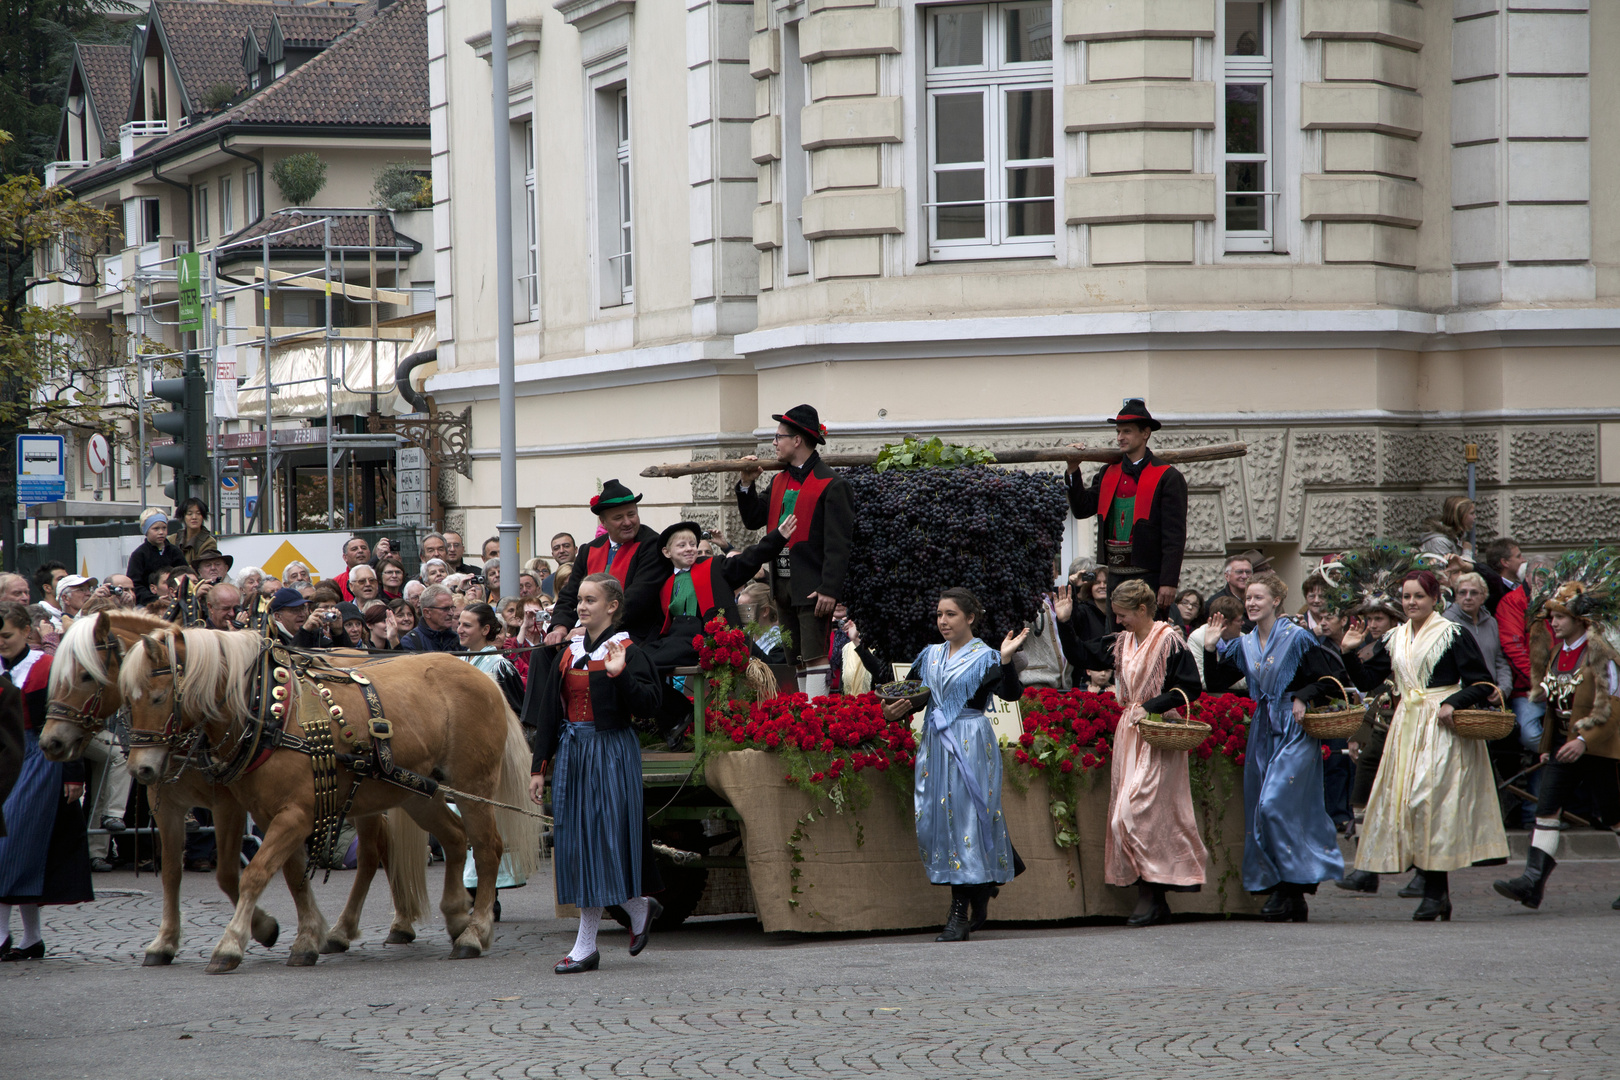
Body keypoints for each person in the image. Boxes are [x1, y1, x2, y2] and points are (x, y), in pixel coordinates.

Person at [526, 574, 663, 973]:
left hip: (611, 751)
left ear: (612, 606)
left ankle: (587, 946)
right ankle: (638, 906)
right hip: (572, 751)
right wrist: (540, 767)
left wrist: (620, 675)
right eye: (580, 600)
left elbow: (651, 706)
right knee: (575, 842)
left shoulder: (628, 650)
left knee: (601, 840)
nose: (581, 607)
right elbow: (551, 712)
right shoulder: (568, 652)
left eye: (590, 600)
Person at [1353, 570, 1507, 920]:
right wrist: (1349, 652)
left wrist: (1453, 701)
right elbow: (1367, 679)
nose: (1411, 603)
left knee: (1429, 802)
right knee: (1409, 805)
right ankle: (1435, 892)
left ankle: (1435, 891)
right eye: (1406, 597)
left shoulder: (1453, 633)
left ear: (1435, 599)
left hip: (1440, 728)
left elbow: (1482, 681)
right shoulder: (1396, 637)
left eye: (1418, 597)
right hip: (1406, 726)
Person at [883, 589, 1027, 941]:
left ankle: (959, 913)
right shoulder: (930, 656)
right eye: (939, 615)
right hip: (935, 744)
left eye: (951, 615)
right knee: (937, 819)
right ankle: (983, 883)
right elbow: (909, 695)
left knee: (966, 816)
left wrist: (1006, 661)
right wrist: (890, 711)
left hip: (970, 742)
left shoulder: (987, 656)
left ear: (970, 618)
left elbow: (1011, 694)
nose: (943, 622)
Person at [1204, 572, 1348, 921]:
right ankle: (1291, 893)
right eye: (1248, 598)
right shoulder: (1246, 643)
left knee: (1274, 806)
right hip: (1264, 728)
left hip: (1295, 730)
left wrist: (1302, 696)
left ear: (1275, 602)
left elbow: (1333, 682)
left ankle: (1288, 888)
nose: (1251, 603)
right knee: (1263, 810)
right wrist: (1210, 648)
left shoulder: (1297, 638)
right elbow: (1216, 683)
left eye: (1258, 598)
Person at [1066, 580, 1205, 926]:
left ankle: (1154, 893)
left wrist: (1152, 705)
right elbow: (1080, 655)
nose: (1118, 621)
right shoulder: (1122, 642)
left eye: (1123, 615)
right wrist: (1065, 621)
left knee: (1133, 813)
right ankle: (1153, 896)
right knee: (1140, 816)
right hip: (1131, 734)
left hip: (1158, 737)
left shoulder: (1169, 639)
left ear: (1142, 610)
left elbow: (1190, 687)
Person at [1494, 573, 1620, 911]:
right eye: (1551, 616)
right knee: (1546, 809)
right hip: (1565, 747)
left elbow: (1614, 708)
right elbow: (1553, 706)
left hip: (1601, 748)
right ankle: (1531, 883)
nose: (1554, 622)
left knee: (1613, 815)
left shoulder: (1602, 655)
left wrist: (1583, 740)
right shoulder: (1555, 653)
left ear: (1580, 620)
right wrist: (1547, 744)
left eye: (1560, 616)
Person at [735, 404, 855, 697]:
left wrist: (829, 588)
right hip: (782, 584)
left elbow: (839, 543)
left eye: (778, 437)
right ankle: (804, 717)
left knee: (814, 655)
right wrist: (746, 484)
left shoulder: (832, 483)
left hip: (813, 585)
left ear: (797, 440)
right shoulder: (779, 480)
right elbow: (753, 519)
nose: (774, 444)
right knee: (797, 657)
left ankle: (817, 718)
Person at [642, 518, 795, 743]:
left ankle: (679, 715)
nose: (689, 549)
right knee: (636, 663)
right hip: (675, 638)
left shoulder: (714, 567)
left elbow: (749, 559)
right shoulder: (665, 582)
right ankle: (680, 712)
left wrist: (778, 537)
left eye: (692, 544)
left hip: (703, 637)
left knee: (645, 664)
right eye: (681, 545)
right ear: (667, 552)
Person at [0, 601, 92, 959]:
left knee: (11, 843)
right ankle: (31, 938)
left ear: (27, 632)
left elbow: (68, 725)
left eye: (6, 635)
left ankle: (3, 935)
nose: (1, 642)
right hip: (5, 755)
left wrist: (73, 773)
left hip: (38, 757)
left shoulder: (47, 669)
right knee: (25, 850)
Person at [1064, 399, 1187, 614]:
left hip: (1149, 576)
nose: (1120, 437)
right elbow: (1082, 509)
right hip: (1115, 576)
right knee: (1117, 640)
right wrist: (1073, 470)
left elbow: (1174, 536)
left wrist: (1169, 582)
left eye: (1127, 431)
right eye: (1118, 432)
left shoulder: (1168, 477)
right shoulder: (1107, 473)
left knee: (1149, 641)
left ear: (1145, 433)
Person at [545, 480, 670, 646]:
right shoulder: (589, 550)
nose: (627, 522)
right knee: (544, 652)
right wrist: (560, 627)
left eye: (631, 514)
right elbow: (569, 594)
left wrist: (595, 628)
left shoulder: (652, 545)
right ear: (603, 522)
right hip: (590, 629)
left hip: (634, 632)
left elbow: (638, 598)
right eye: (618, 517)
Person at [457, 603, 525, 713]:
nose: (459, 630)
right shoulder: (458, 661)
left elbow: (515, 713)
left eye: (467, 625)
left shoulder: (500, 666)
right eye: (459, 624)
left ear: (485, 630)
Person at [1187, 594, 1244, 690]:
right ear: (1225, 623)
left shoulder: (1244, 639)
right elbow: (1199, 680)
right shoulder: (1197, 638)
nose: (1243, 623)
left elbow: (1250, 680)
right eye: (1239, 621)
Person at [1417, 495, 1476, 568]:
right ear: (1460, 516)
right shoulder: (1439, 541)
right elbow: (1443, 573)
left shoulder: (1458, 535)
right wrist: (1467, 553)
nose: (1474, 517)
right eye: (1471, 513)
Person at [736, 582, 786, 664]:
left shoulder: (779, 641)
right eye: (739, 610)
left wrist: (747, 642)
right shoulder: (744, 634)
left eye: (746, 610)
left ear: (765, 611)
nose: (741, 615)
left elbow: (773, 667)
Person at [399, 584, 459, 653]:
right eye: (445, 609)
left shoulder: (458, 639)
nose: (451, 613)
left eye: (452, 608)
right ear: (427, 613)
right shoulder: (411, 642)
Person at [1205, 554, 1257, 631]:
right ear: (1227, 576)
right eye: (1239, 572)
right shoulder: (1217, 602)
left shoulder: (1259, 598)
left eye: (1248, 572)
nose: (1244, 576)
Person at [1478, 537, 1524, 616]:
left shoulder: (1520, 586)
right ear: (1505, 562)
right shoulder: (1496, 591)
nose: (1523, 560)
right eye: (1518, 556)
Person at [173, 498, 217, 572]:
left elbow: (202, 568)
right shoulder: (172, 539)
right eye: (189, 514)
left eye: (198, 513)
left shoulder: (209, 542)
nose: (194, 517)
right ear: (183, 516)